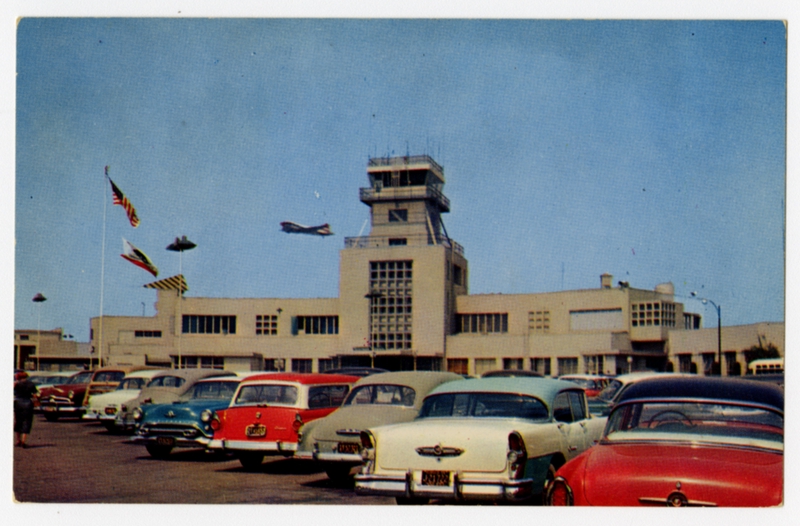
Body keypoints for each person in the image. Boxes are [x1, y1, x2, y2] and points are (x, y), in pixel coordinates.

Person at [14, 371, 39, 448]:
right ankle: (24, 441)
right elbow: (35, 394)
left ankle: (18, 440)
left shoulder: (16, 384)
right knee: (27, 421)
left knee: (18, 421)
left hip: (18, 403)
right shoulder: (31, 384)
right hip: (28, 403)